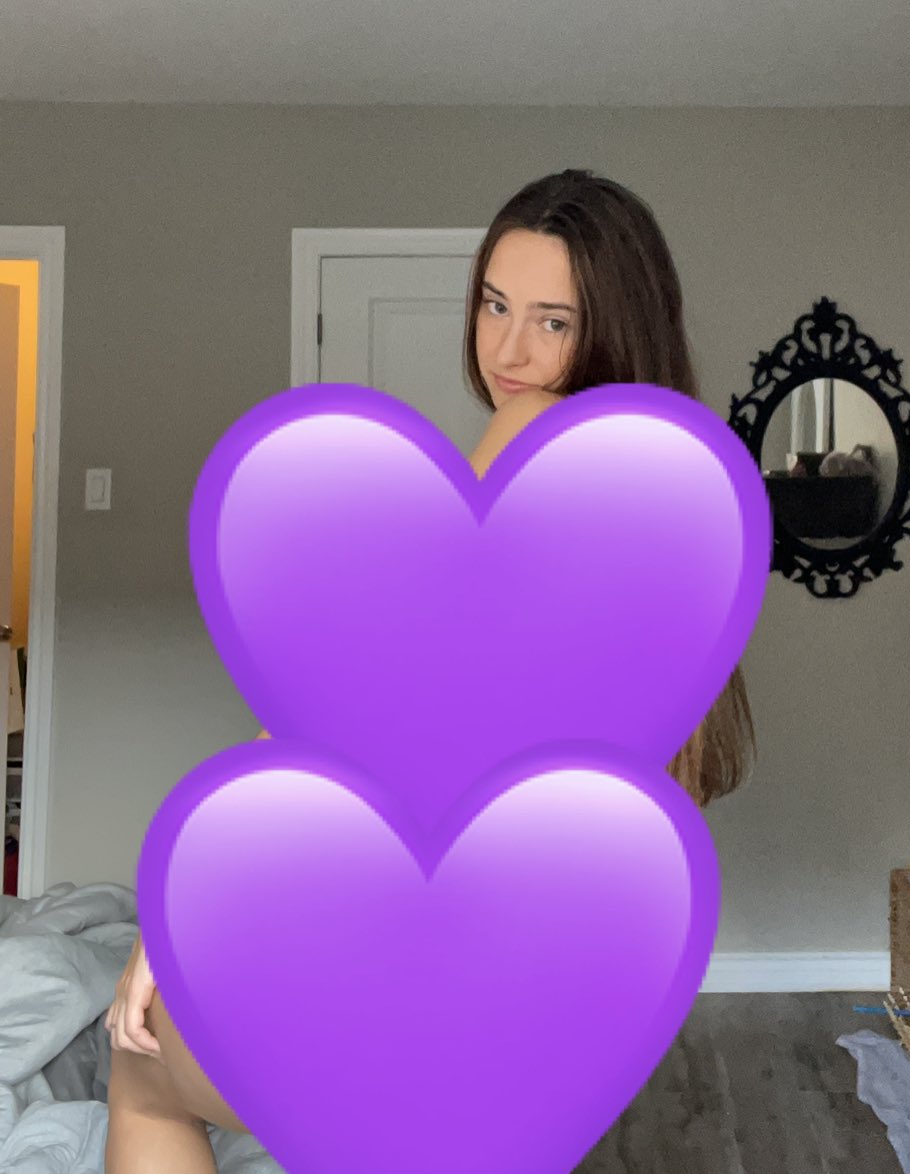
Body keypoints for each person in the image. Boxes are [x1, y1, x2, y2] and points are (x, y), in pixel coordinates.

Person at [103, 169, 757, 1173]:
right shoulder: (679, 522)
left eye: (553, 322)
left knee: (141, 1071)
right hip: (544, 1005)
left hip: (429, 981)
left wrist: (173, 919)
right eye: (494, 305)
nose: (508, 351)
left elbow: (351, 702)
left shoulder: (530, 439)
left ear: (613, 329)